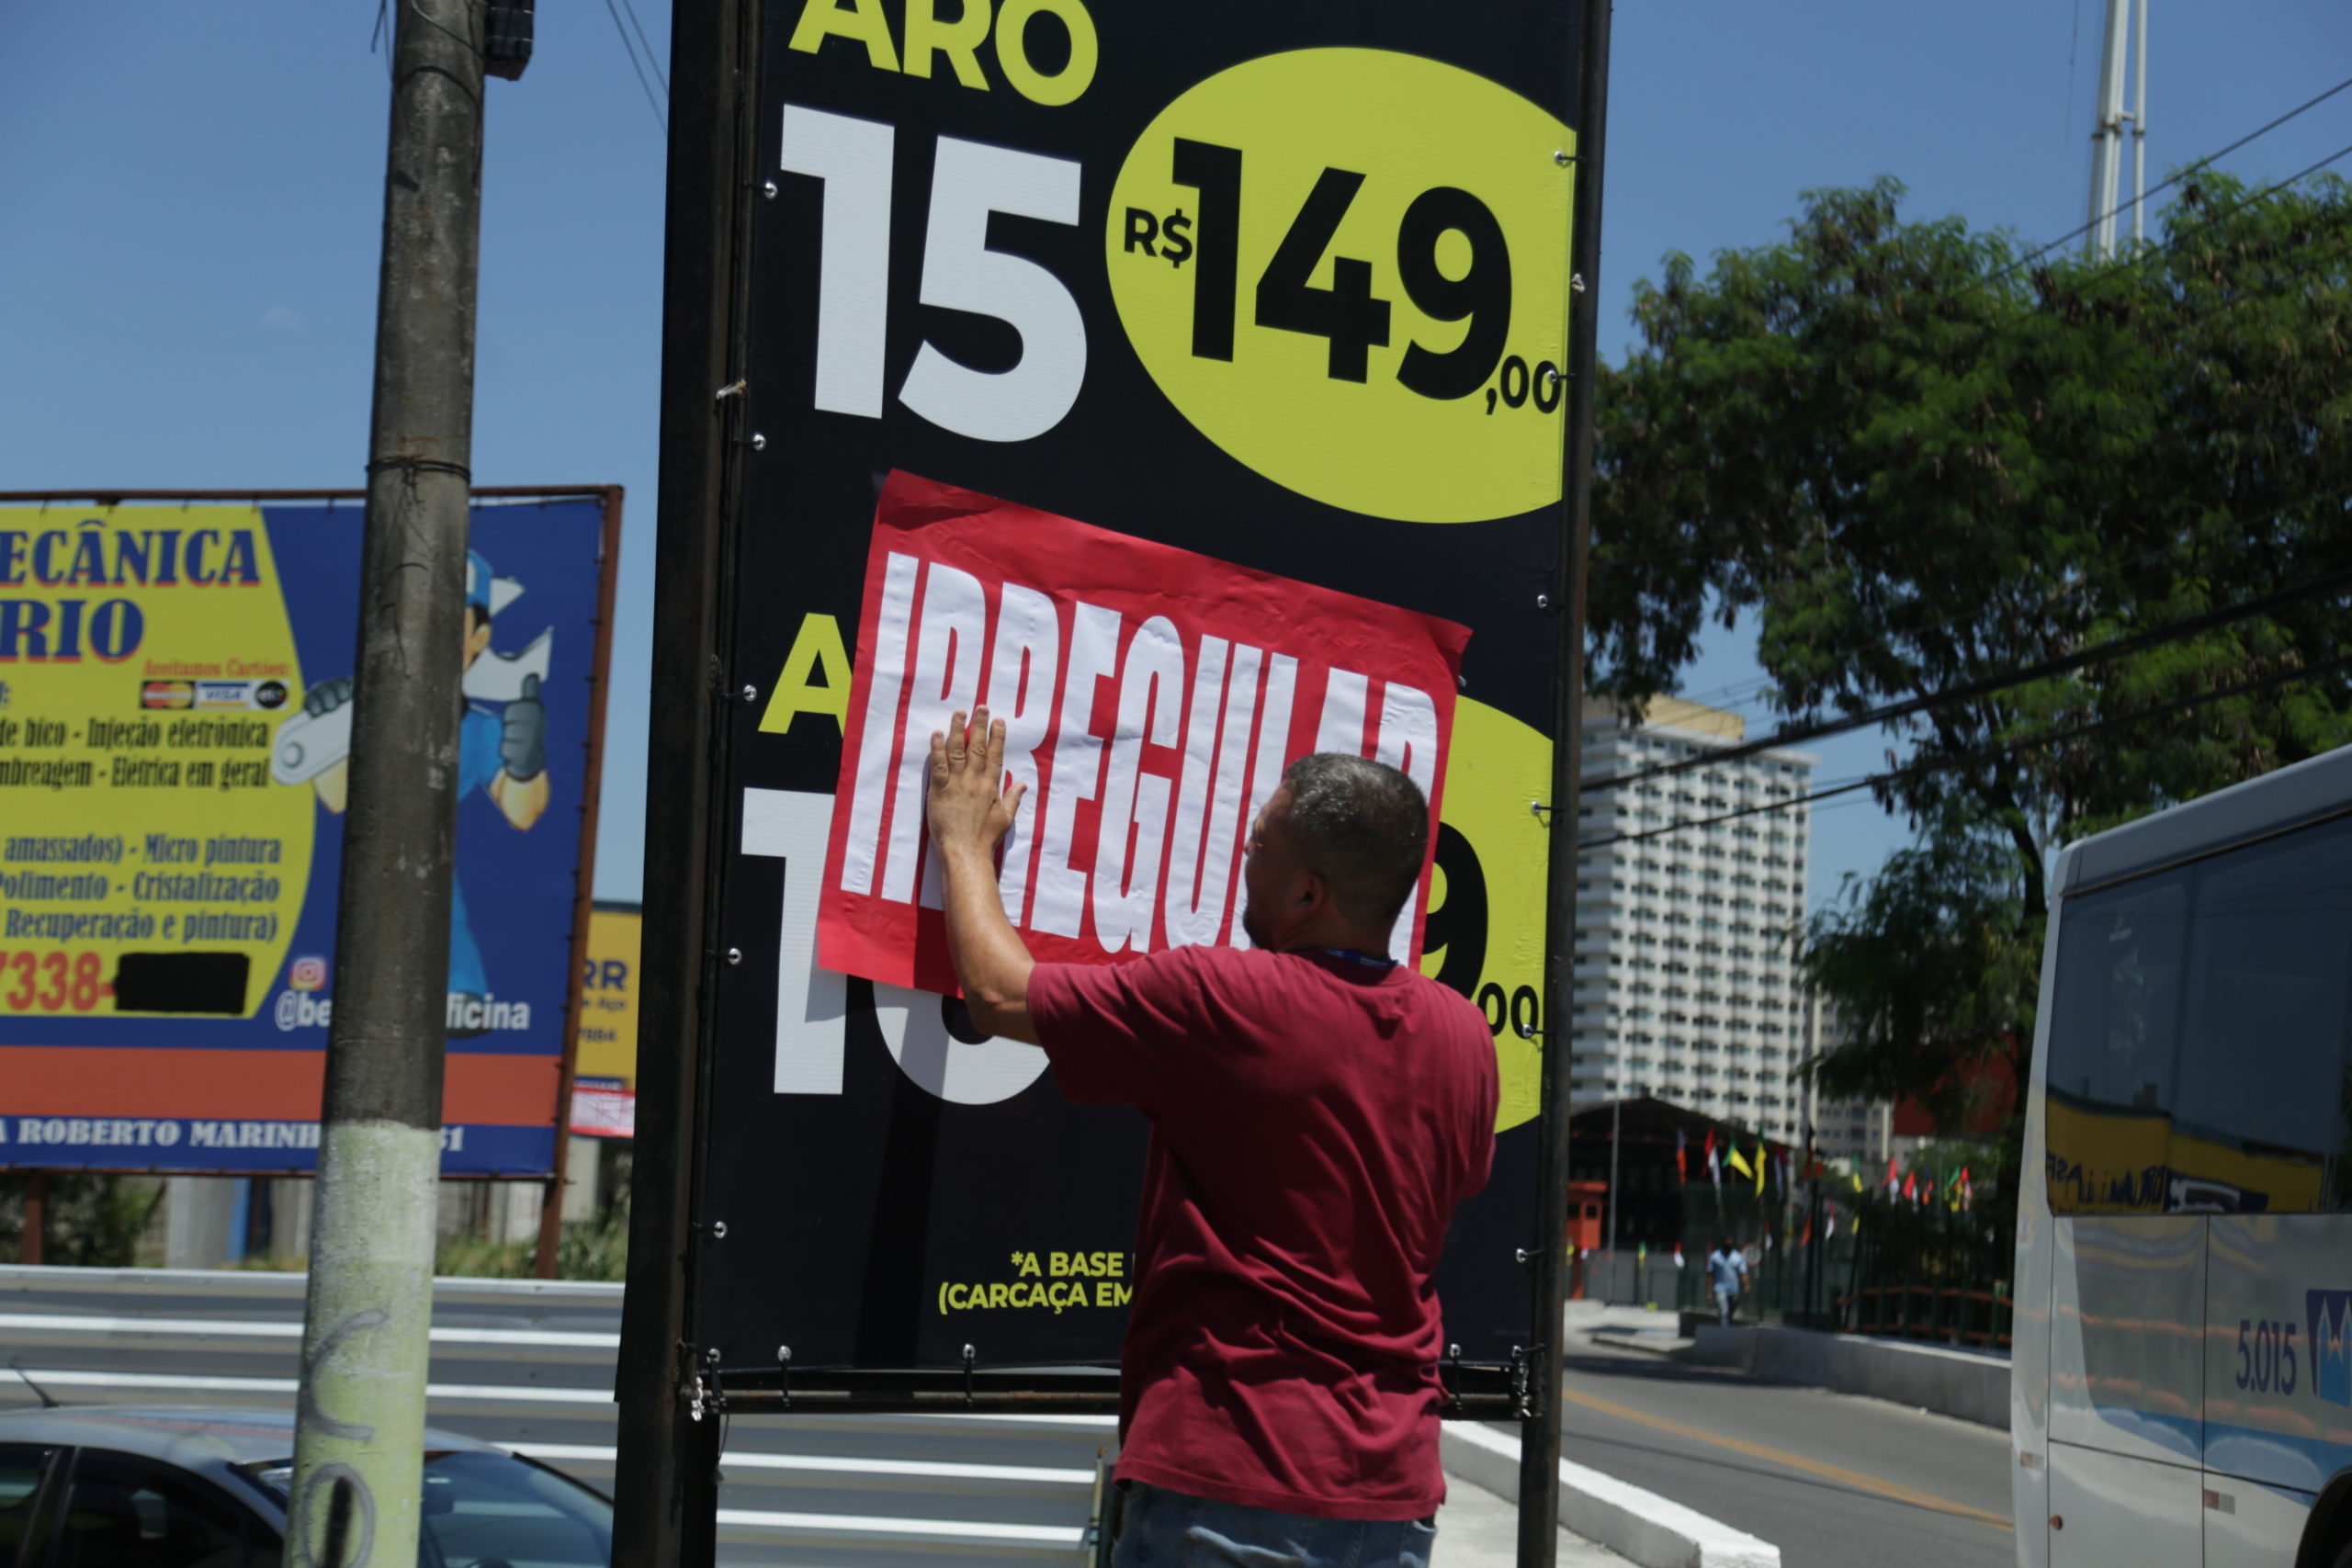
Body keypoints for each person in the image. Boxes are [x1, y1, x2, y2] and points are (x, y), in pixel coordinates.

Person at [925, 707, 1498, 1568]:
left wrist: (964, 843)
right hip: (1392, 1504)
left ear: (1308, 895)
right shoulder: (1466, 1037)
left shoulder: (1228, 1000)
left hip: (1230, 1480)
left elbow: (999, 995)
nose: (1241, 854)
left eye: (1259, 841)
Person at [1706, 1237, 1748, 1325]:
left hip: (1733, 1290)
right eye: (1726, 1244)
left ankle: (1725, 1323)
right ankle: (1724, 1329)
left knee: (1730, 1311)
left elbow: (1743, 1273)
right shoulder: (1715, 1256)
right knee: (1724, 1310)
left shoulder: (1738, 1257)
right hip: (1720, 1288)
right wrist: (1710, 1291)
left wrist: (1746, 1285)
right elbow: (1710, 1274)